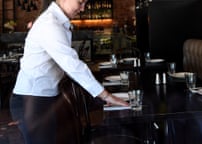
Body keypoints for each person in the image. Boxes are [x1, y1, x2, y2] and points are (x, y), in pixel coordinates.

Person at [9, 0, 129, 144]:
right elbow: (72, 65)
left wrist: (98, 97)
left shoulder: (58, 22)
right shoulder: (49, 24)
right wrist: (106, 96)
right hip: (32, 98)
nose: (83, 8)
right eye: (80, 2)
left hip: (44, 96)